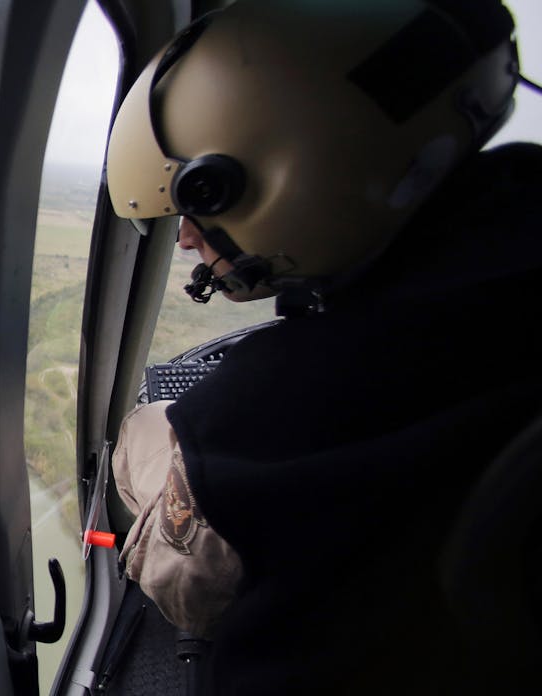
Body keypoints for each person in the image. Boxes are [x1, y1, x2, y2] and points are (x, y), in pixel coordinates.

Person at [102, 0, 542, 692]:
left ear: (295, 174)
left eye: (198, 205)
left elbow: (181, 584)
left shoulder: (277, 407)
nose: (185, 237)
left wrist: (156, 440)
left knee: (144, 428)